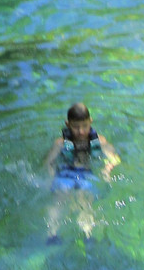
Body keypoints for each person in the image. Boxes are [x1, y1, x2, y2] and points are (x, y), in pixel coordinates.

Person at [42, 102, 121, 241]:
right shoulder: (60, 143)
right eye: (75, 127)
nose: (81, 131)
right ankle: (52, 234)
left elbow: (115, 159)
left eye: (85, 126)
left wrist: (107, 169)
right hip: (65, 173)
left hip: (86, 174)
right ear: (68, 124)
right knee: (59, 198)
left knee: (85, 200)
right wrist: (51, 175)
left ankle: (87, 234)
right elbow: (48, 162)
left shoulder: (99, 141)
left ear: (90, 121)